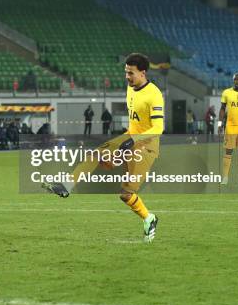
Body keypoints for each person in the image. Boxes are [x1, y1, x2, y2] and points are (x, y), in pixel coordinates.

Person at [44, 53, 162, 243]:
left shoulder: (154, 95)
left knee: (126, 195)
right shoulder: (131, 88)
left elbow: (158, 128)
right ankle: (67, 185)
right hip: (129, 138)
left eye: (131, 73)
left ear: (143, 72)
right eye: (125, 72)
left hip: (146, 147)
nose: (127, 77)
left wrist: (132, 142)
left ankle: (149, 218)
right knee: (96, 154)